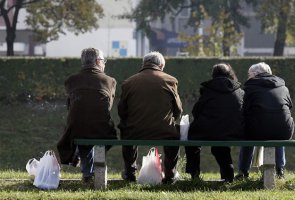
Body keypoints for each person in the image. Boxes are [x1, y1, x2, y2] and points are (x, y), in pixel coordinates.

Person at [117, 51, 183, 183]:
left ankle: (130, 173)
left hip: (135, 131)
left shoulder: (128, 82)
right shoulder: (170, 80)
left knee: (126, 130)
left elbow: (122, 110)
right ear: (161, 65)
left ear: (144, 64)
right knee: (175, 133)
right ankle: (170, 174)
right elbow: (178, 110)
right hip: (164, 132)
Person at [57, 47, 117, 182]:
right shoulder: (109, 81)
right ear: (97, 61)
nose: (104, 63)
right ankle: (91, 170)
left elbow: (70, 105)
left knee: (82, 127)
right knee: (101, 130)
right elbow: (107, 107)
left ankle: (87, 173)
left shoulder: (71, 80)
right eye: (103, 61)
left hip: (76, 128)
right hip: (102, 129)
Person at [185, 63, 245, 182]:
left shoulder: (208, 89)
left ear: (213, 74)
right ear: (229, 74)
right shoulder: (239, 91)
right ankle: (228, 175)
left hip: (209, 131)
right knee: (220, 147)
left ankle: (194, 175)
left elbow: (196, 111)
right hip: (235, 131)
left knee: (192, 141)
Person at [235, 62, 295, 180]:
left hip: (257, 131)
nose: (248, 77)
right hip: (285, 129)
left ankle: (243, 171)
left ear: (255, 74)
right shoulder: (283, 87)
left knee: (247, 134)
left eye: (249, 74)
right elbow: (289, 105)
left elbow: (244, 110)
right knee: (279, 129)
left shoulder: (249, 88)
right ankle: (280, 170)